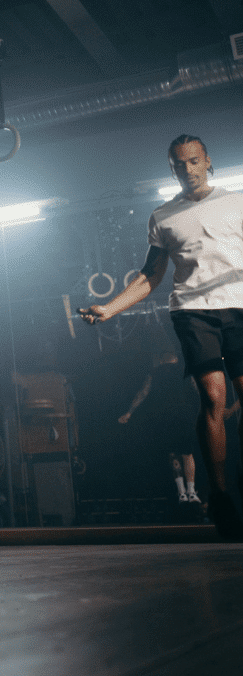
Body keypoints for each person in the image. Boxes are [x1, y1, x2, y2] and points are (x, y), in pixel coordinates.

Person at [80, 134, 243, 539]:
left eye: (193, 161)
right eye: (178, 165)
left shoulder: (236, 202)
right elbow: (150, 276)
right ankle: (219, 496)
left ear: (208, 161)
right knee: (214, 397)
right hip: (192, 312)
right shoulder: (163, 217)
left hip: (239, 308)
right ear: (171, 169)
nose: (187, 170)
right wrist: (109, 308)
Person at [118, 351, 201, 508]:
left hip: (166, 418)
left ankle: (181, 491)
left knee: (173, 454)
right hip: (184, 416)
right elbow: (197, 389)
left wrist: (129, 412)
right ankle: (191, 491)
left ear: (162, 360)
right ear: (175, 359)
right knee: (187, 454)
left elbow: (142, 393)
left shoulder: (155, 372)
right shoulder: (184, 369)